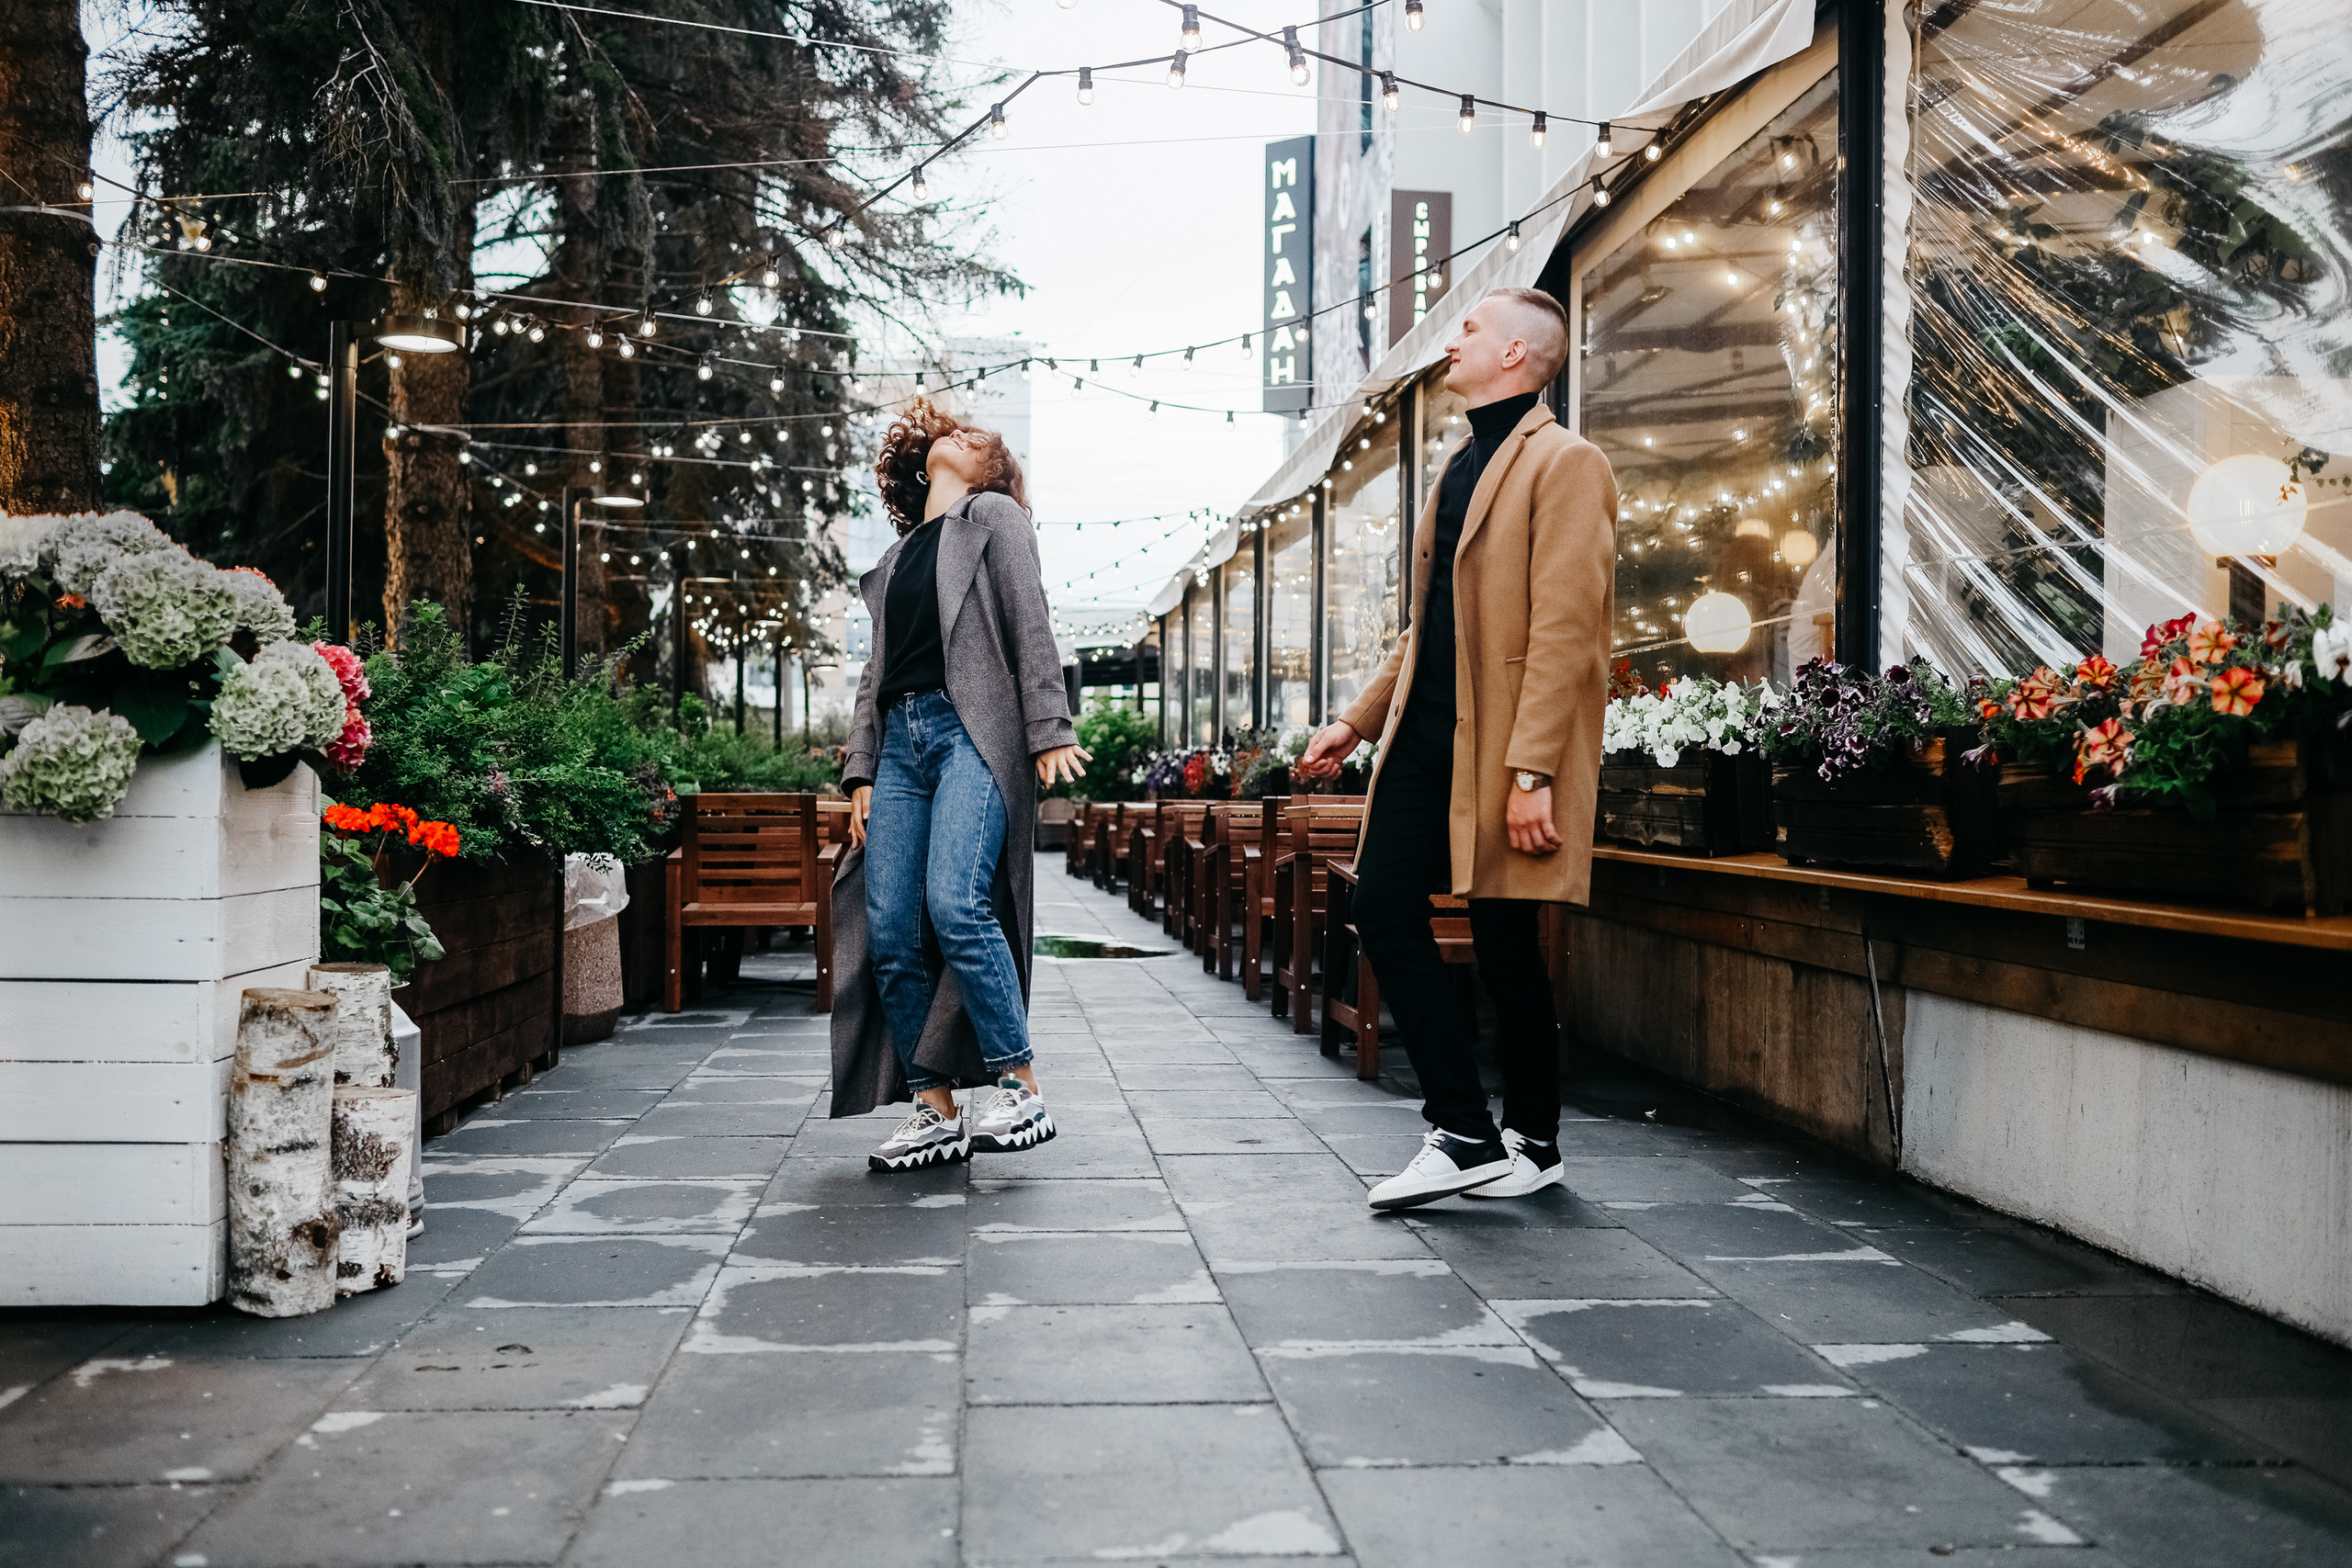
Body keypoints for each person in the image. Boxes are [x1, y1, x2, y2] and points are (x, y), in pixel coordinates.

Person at [1295, 288, 1617, 1211]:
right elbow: (1422, 626)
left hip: (1500, 746)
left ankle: (1518, 1139)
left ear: (1516, 353)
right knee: (1389, 904)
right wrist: (1356, 720)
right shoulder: (1461, 464)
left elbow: (1566, 629)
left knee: (1508, 940)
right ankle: (1479, 1131)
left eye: (1469, 329)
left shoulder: (1566, 462)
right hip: (1426, 739)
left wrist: (1533, 771)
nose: (1453, 341)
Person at [827, 399, 1091, 1172]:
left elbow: (1029, 621)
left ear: (993, 473)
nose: (964, 436)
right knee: (889, 926)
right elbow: (874, 677)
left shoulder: (996, 519)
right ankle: (933, 1105)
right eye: (957, 430)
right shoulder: (898, 558)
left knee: (955, 900)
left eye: (982, 440)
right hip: (901, 748)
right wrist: (860, 771)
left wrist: (1049, 727)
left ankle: (1020, 1083)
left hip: (970, 730)